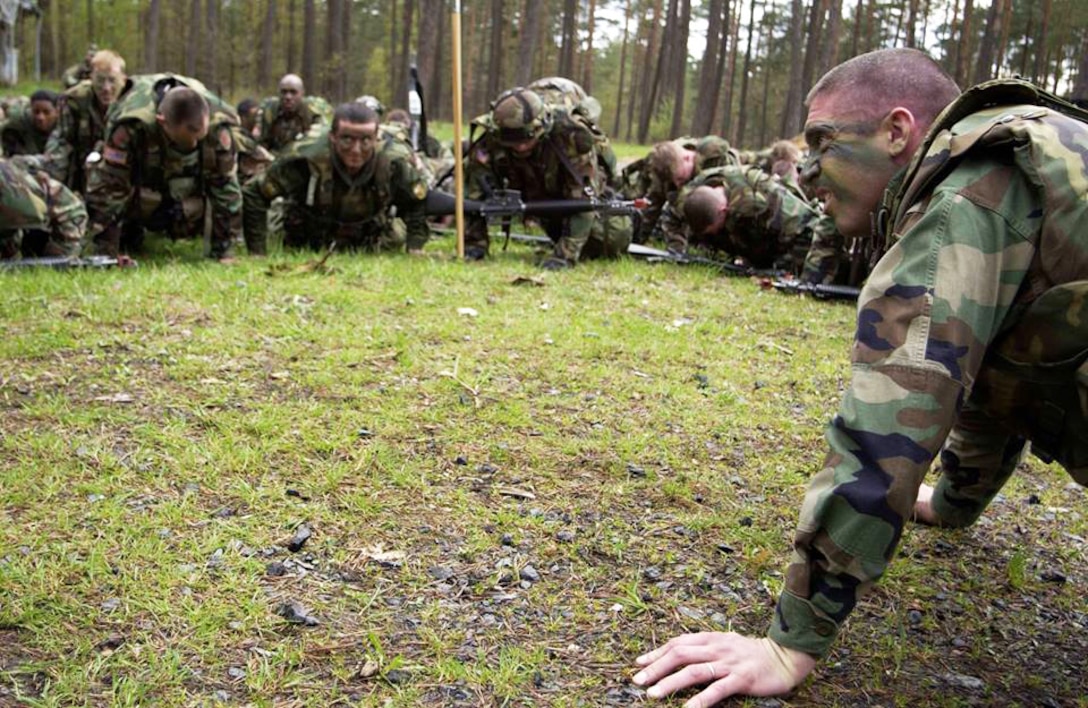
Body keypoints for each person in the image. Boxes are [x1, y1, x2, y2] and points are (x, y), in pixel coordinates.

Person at [633, 47, 1088, 702]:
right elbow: (992, 365)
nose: (811, 170)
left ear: (898, 132)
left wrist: (792, 639)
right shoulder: (1018, 163)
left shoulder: (967, 197)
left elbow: (895, 415)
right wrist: (958, 500)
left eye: (824, 143)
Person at [463, 86, 630, 268]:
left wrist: (563, 257)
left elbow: (584, 201)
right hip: (534, 193)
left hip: (568, 198)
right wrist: (474, 244)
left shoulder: (571, 137)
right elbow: (475, 193)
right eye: (513, 141)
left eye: (527, 139)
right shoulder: (492, 136)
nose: (520, 147)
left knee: (614, 237)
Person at [85, 75, 243, 261]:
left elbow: (226, 189)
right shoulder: (130, 128)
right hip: (141, 175)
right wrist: (106, 253)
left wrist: (224, 251)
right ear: (162, 122)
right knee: (115, 189)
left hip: (187, 185)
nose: (194, 145)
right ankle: (129, 234)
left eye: (199, 139)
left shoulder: (218, 127)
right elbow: (110, 189)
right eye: (187, 141)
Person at [242, 102, 430, 255]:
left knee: (397, 235)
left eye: (365, 141)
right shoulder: (306, 157)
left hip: (372, 238)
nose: (356, 150)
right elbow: (255, 192)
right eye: (347, 139)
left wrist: (415, 247)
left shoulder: (393, 160)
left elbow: (416, 200)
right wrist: (257, 252)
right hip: (307, 238)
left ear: (376, 138)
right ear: (333, 137)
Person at [660, 164, 846, 284]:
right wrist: (677, 250)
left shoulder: (760, 204)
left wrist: (777, 269)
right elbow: (669, 214)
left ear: (723, 210)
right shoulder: (690, 197)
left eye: (716, 229)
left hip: (795, 236)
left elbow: (803, 234)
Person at [42, 49, 132, 195]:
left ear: (123, 79)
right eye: (100, 80)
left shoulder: (133, 104)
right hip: (82, 163)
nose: (106, 88)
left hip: (121, 165)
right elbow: (62, 140)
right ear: (91, 78)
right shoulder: (75, 100)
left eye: (112, 80)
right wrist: (53, 181)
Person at [621, 136, 739, 244]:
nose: (677, 185)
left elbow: (733, 191)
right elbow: (651, 209)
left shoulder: (714, 160)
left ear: (687, 158)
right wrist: (636, 241)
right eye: (673, 182)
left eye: (680, 179)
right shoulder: (668, 171)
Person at [0, 157, 87, 259]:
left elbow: (72, 209)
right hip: (11, 223)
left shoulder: (21, 184)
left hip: (55, 215)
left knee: (59, 260)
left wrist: (59, 256)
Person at [258, 74, 330, 154]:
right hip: (275, 158)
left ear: (302, 93)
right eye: (284, 92)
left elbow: (321, 144)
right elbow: (263, 142)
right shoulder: (271, 110)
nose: (288, 97)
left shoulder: (312, 112)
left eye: (293, 92)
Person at [1, 89, 59, 156]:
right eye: (36, 112)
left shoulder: (65, 127)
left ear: (57, 112)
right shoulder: (17, 126)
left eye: (46, 112)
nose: (41, 117)